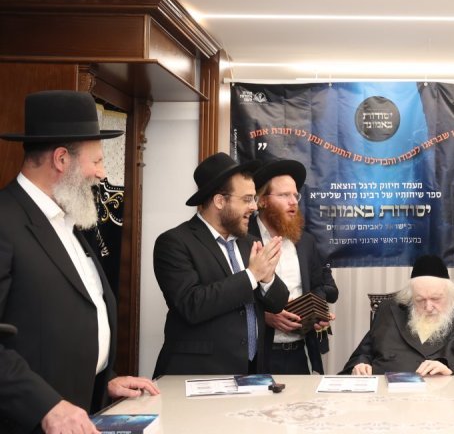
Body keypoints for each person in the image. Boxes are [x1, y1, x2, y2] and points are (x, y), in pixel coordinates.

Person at [0, 90, 159, 433]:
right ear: (61, 159)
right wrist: (45, 406)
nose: (102, 174)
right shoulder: (5, 220)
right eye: (97, 161)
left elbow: (72, 321)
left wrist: (105, 379)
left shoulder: (69, 222)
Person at [152, 152, 289, 377]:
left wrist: (267, 278)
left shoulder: (250, 242)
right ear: (220, 201)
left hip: (251, 373)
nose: (254, 207)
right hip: (198, 375)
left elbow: (278, 303)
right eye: (247, 199)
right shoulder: (175, 242)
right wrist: (252, 275)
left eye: (254, 199)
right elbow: (192, 305)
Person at [249, 156, 338, 374]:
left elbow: (318, 286)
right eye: (284, 195)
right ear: (262, 200)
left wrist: (316, 313)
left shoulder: (305, 241)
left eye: (295, 195)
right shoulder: (243, 240)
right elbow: (231, 297)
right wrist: (264, 317)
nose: (293, 202)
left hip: (300, 353)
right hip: (257, 356)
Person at [341, 254, 454, 376]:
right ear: (410, 297)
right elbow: (361, 355)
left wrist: (452, 373)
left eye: (436, 299)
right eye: (420, 300)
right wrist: (360, 365)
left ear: (452, 294)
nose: (428, 307)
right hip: (387, 402)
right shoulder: (387, 312)